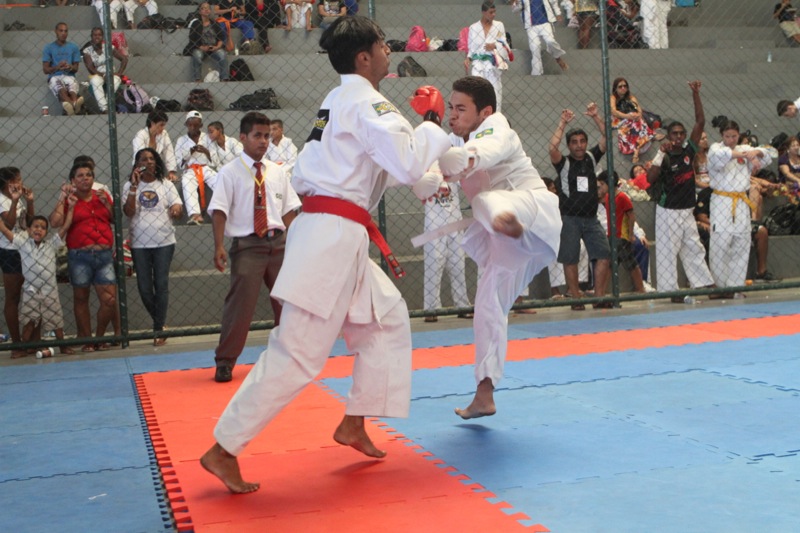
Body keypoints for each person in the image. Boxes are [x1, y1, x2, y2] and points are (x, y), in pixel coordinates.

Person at [200, 16, 450, 493]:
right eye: (382, 44)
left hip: (338, 232)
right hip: (331, 235)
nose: (389, 50)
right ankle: (224, 448)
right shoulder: (366, 103)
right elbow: (407, 163)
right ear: (364, 57)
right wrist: (433, 122)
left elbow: (397, 169)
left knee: (386, 320)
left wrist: (434, 171)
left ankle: (355, 420)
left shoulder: (340, 100)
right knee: (297, 352)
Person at [433, 76, 561, 418]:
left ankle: (504, 218)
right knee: (488, 306)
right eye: (451, 107)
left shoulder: (497, 128)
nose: (452, 115)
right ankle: (484, 392)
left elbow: (483, 152)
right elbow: (431, 168)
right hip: (509, 238)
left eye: (462, 109)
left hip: (533, 211)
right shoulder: (454, 142)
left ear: (485, 112)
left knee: (485, 202)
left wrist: (459, 161)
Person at [209, 111, 301, 382]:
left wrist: (298, 242)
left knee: (288, 304)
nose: (263, 141)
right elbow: (219, 211)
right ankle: (225, 361)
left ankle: (287, 359)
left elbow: (289, 211)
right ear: (242, 137)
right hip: (248, 245)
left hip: (279, 243)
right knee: (240, 306)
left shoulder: (277, 171)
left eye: (267, 136)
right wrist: (218, 246)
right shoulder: (229, 172)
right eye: (257, 135)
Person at [645, 81, 715, 302]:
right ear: (668, 136)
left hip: (687, 210)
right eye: (674, 133)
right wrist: (659, 154)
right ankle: (670, 291)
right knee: (667, 251)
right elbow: (649, 179)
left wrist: (695, 93)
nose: (678, 136)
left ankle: (704, 284)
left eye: (681, 133)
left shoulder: (688, 151)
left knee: (694, 247)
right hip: (668, 211)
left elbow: (700, 121)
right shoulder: (664, 155)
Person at [549, 103, 612, 310]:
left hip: (591, 218)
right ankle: (576, 298)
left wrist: (595, 117)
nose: (579, 145)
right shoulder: (564, 163)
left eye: (582, 141)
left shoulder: (591, 158)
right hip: (570, 218)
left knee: (603, 254)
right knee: (571, 259)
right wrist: (562, 123)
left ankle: (599, 298)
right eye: (574, 142)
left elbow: (607, 138)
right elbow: (552, 148)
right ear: (569, 145)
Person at [49, 163, 117, 352]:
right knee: (81, 298)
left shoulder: (102, 196)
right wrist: (63, 197)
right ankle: (88, 340)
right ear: (73, 180)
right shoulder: (69, 199)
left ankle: (99, 338)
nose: (85, 178)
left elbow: (115, 219)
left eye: (88, 175)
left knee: (110, 300)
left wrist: (107, 204)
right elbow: (54, 222)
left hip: (104, 255)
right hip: (79, 255)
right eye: (80, 175)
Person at [123, 148, 183, 346]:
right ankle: (161, 324)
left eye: (151, 159)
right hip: (139, 243)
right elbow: (129, 212)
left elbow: (177, 206)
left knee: (161, 284)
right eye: (143, 159)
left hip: (164, 241)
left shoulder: (165, 184)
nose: (148, 162)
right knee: (144, 287)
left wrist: (176, 208)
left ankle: (158, 329)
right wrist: (134, 187)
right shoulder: (129, 186)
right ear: (137, 164)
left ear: (156, 162)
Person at [706, 120, 772, 295]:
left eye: (734, 136)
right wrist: (746, 155)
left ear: (739, 135)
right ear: (722, 135)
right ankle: (721, 288)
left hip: (742, 201)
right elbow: (722, 156)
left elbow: (768, 154)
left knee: (741, 242)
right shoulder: (715, 148)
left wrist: (755, 152)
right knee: (720, 243)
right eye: (727, 136)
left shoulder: (745, 149)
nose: (731, 140)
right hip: (722, 201)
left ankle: (736, 287)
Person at [0, 211, 76, 357]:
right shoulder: (22, 244)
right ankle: (23, 347)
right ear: (28, 230)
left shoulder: (52, 244)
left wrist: (71, 208)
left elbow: (65, 227)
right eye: (35, 226)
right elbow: (6, 231)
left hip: (50, 290)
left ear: (46, 232)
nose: (38, 229)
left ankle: (63, 346)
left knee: (56, 321)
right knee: (29, 322)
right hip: (31, 291)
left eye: (43, 227)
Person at [421, 176, 470, 323]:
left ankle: (462, 305)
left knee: (458, 264)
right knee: (433, 265)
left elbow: (465, 181)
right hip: (434, 224)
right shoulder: (425, 169)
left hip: (454, 221)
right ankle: (431, 308)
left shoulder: (452, 169)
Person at [1, 167, 35, 358]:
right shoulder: (2, 200)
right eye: (18, 180)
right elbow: (9, 223)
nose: (21, 183)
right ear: (8, 183)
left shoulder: (17, 198)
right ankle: (16, 343)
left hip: (26, 248)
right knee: (13, 297)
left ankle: (30, 339)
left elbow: (28, 223)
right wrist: (14, 201)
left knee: (33, 293)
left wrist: (29, 202)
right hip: (11, 251)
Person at [597, 170, 646, 293]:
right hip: (612, 236)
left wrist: (630, 234)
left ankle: (640, 288)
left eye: (602, 184)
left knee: (631, 264)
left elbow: (631, 216)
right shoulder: (608, 197)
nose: (600, 188)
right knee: (610, 264)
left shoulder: (622, 197)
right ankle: (602, 291)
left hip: (622, 237)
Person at [175, 111, 219, 224]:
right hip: (190, 169)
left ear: (201, 125)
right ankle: (195, 215)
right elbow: (179, 163)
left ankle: (222, 213)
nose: (192, 128)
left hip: (206, 168)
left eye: (196, 125)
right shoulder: (181, 140)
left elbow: (215, 161)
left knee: (220, 182)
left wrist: (206, 151)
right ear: (186, 125)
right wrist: (189, 153)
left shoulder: (208, 138)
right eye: (190, 125)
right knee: (186, 182)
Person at [467, 1, 510, 112]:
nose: (493, 15)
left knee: (495, 91)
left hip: (492, 63)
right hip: (478, 64)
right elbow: (471, 48)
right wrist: (468, 58)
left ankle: (496, 115)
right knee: (477, 92)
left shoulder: (499, 25)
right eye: (491, 12)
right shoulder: (473, 28)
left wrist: (494, 45)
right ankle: (479, 116)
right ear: (484, 12)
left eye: (494, 12)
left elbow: (504, 43)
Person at [510, 0, 568, 76]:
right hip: (531, 25)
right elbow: (515, 10)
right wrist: (515, 3)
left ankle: (557, 57)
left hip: (545, 22)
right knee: (535, 48)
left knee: (550, 41)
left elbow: (554, 2)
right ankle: (536, 73)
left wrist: (558, 13)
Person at [82, 27, 128, 114]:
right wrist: (103, 75)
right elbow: (90, 68)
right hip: (97, 74)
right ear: (91, 36)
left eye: (99, 35)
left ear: (103, 37)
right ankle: (104, 109)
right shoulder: (87, 51)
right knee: (95, 81)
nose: (97, 37)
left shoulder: (108, 48)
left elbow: (124, 59)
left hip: (111, 73)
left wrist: (119, 73)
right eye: (95, 35)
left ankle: (108, 104)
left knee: (117, 80)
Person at [42, 22, 83, 116]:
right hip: (55, 76)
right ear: (56, 31)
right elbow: (45, 70)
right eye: (61, 31)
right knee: (61, 89)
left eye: (65, 31)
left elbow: (76, 68)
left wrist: (70, 67)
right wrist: (58, 67)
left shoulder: (74, 47)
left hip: (69, 75)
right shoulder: (48, 48)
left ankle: (71, 106)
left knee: (72, 89)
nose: (63, 33)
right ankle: (74, 105)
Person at [610, 77, 654, 156]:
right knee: (634, 123)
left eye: (625, 86)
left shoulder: (631, 97)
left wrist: (638, 115)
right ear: (615, 88)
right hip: (618, 119)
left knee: (637, 121)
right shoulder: (613, 98)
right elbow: (614, 112)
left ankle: (637, 146)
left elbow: (638, 108)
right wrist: (627, 116)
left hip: (631, 117)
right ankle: (636, 145)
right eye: (620, 86)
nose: (623, 88)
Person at [132, 110, 179, 181]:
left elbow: (169, 152)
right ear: (152, 123)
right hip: (142, 169)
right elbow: (140, 156)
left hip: (158, 169)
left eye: (164, 125)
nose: (163, 128)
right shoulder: (140, 135)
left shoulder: (164, 134)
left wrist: (171, 172)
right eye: (161, 125)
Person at [189, 3, 230, 83]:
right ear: (200, 11)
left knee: (222, 54)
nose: (206, 10)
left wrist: (217, 47)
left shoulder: (215, 23)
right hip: (200, 48)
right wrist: (201, 47)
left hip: (214, 48)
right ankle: (197, 79)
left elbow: (221, 37)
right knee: (197, 55)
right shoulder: (196, 24)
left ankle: (224, 78)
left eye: (208, 8)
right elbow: (192, 39)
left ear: (210, 11)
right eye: (203, 8)